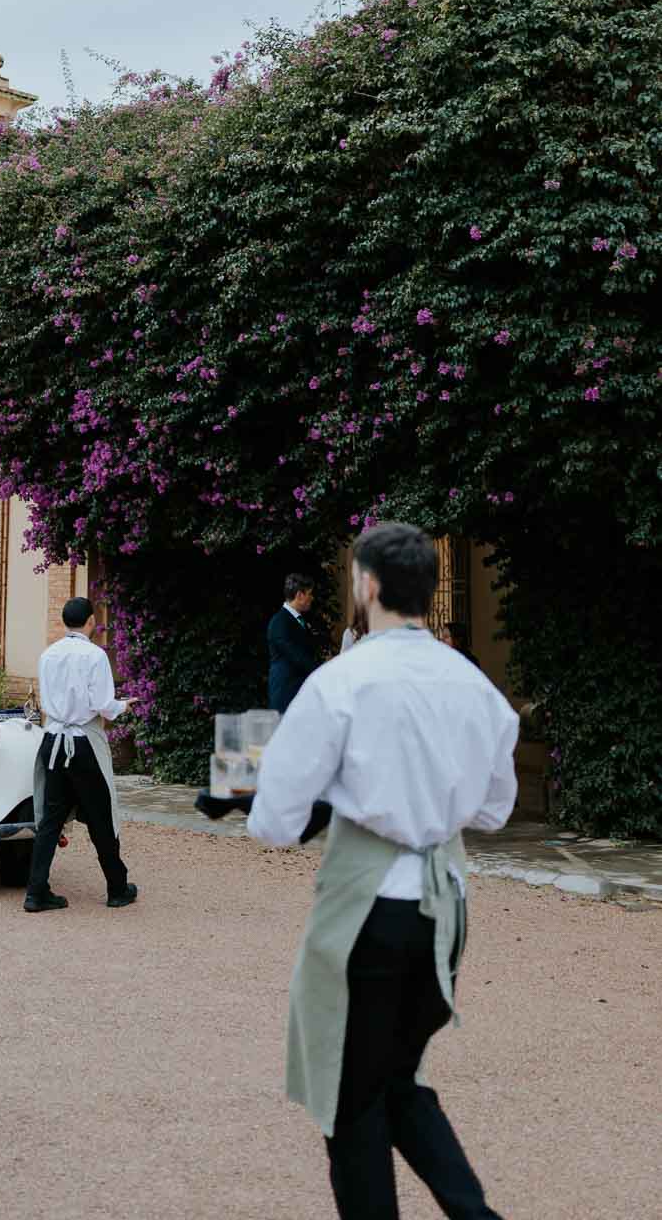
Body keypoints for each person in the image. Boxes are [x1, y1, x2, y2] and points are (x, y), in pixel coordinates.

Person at [248, 523, 518, 1220]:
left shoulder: (341, 681)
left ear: (365, 585)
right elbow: (493, 811)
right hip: (444, 911)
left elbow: (274, 822)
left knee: (350, 1102)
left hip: (367, 909)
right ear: (426, 589)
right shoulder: (475, 686)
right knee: (397, 1080)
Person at [24, 597, 137, 914]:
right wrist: (123, 705)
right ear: (90, 621)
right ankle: (117, 887)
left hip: (54, 739)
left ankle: (36, 891)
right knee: (101, 815)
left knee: (51, 818)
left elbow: (48, 701)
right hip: (82, 742)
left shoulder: (48, 654)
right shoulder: (95, 655)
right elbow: (103, 704)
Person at [266, 572, 322, 711]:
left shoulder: (298, 620)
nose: (312, 598)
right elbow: (297, 656)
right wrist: (323, 670)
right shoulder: (279, 622)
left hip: (300, 692)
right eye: (309, 594)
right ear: (299, 595)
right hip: (286, 693)